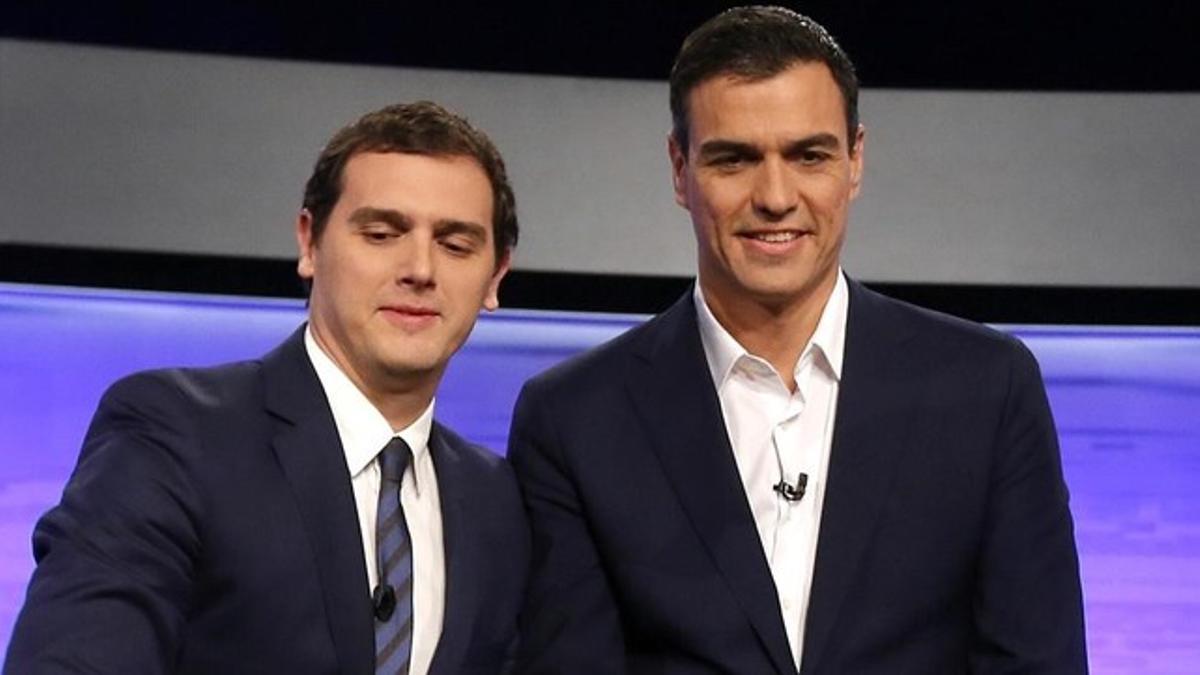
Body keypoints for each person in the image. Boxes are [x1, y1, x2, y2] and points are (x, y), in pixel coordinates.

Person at [508, 6, 1087, 673]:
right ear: (679, 168)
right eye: (735, 159)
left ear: (855, 161)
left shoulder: (987, 388)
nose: (776, 196)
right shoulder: (576, 418)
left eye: (808, 155)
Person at [6, 101, 529, 674]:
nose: (420, 269)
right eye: (381, 233)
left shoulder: (495, 500)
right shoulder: (175, 434)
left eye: (455, 245)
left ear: (495, 276)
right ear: (310, 243)